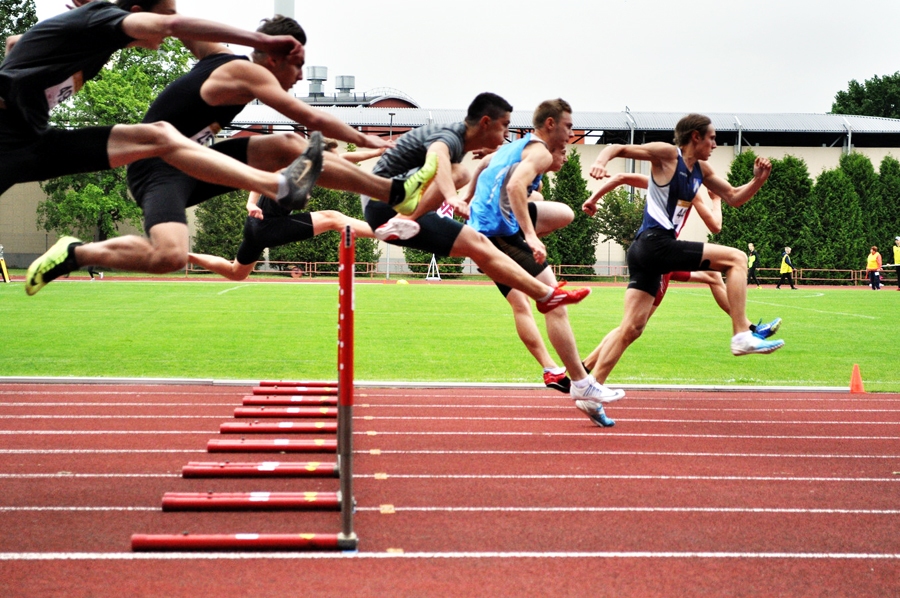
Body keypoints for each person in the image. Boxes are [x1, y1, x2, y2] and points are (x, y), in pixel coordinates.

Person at [25, 14, 437, 294]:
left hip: (194, 158)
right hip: (156, 168)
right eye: (298, 66)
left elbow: (177, 22)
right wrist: (365, 140)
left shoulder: (220, 55)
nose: (299, 76)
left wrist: (137, 17)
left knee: (288, 146)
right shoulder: (246, 72)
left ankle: (395, 193)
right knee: (169, 254)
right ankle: (75, 253)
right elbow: (307, 114)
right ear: (276, 56)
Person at [3, 0, 325, 293]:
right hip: (143, 163)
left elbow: (15, 44)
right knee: (163, 143)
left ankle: (279, 185)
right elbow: (173, 24)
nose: (166, 33)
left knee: (169, 140)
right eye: (162, 17)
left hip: (36, 144)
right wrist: (260, 40)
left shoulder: (99, 38)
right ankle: (278, 185)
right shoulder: (103, 21)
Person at [580, 113, 783, 424]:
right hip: (654, 244)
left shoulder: (702, 171)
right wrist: (600, 161)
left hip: (646, 251)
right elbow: (618, 147)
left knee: (631, 329)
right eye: (712, 138)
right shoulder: (666, 155)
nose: (715, 144)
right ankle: (742, 334)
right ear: (695, 137)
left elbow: (733, 197)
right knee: (737, 258)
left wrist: (758, 180)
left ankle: (590, 392)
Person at [463, 98, 624, 422]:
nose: (570, 134)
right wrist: (531, 236)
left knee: (560, 217)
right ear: (550, 124)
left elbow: (486, 165)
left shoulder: (517, 147)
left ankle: (570, 378)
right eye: (568, 127)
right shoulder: (539, 151)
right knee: (554, 303)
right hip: (497, 233)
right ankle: (581, 383)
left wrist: (466, 197)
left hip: (487, 230)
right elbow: (514, 185)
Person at [363, 92, 593, 316]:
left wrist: (485, 161)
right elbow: (438, 154)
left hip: (386, 204)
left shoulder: (464, 142)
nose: (507, 133)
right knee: (460, 174)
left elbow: (490, 161)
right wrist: (452, 196)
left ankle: (546, 295)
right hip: (385, 202)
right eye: (504, 125)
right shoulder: (451, 136)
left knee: (479, 244)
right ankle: (405, 219)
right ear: (485, 123)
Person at [581, 173, 782, 380]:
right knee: (630, 328)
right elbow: (716, 225)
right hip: (660, 256)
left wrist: (593, 199)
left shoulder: (669, 183)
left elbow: (621, 177)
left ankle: (749, 328)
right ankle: (746, 330)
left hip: (660, 255)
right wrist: (716, 200)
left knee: (712, 276)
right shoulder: (682, 186)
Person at [188, 141, 384, 280]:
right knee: (332, 218)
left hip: (256, 227)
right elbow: (263, 177)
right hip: (266, 225)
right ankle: (385, 231)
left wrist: (376, 152)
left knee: (236, 273)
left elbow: (347, 158)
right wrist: (251, 204)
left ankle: (187, 256)